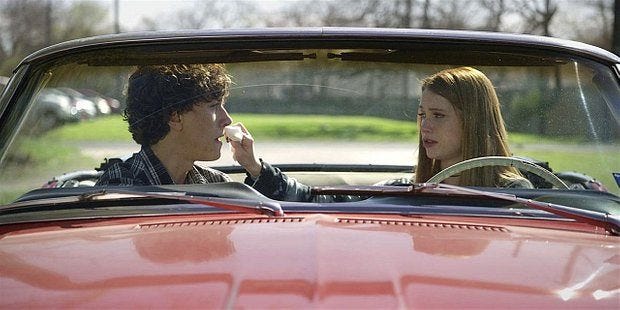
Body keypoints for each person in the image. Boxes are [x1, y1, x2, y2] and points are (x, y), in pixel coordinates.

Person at [96, 64, 313, 201]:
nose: (227, 119)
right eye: (214, 106)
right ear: (175, 117)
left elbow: (299, 204)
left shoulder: (214, 182)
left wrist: (254, 167)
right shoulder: (119, 189)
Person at [414, 67, 532, 188]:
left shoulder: (513, 192)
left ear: (473, 121)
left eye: (438, 115)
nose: (424, 126)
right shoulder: (408, 190)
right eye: (422, 115)